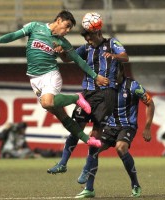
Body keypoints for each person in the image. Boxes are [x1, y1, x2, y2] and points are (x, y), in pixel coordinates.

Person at [0, 10, 109, 147]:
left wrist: (95, 76)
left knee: (47, 103)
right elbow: (15, 35)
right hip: (34, 79)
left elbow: (78, 60)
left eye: (70, 28)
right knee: (60, 115)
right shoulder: (34, 27)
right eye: (67, 25)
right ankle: (87, 139)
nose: (68, 30)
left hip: (50, 75)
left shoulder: (62, 42)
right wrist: (0, 40)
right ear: (58, 20)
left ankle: (77, 98)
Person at [47, 20, 129, 174]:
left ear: (98, 32)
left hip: (107, 93)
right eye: (86, 38)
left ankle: (87, 168)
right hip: (88, 93)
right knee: (76, 128)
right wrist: (61, 51)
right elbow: (67, 59)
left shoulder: (112, 42)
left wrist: (114, 56)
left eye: (90, 37)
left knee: (96, 133)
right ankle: (63, 163)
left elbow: (125, 57)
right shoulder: (86, 48)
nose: (88, 40)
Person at [75, 71, 155, 198]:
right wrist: (97, 127)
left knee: (121, 147)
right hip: (109, 126)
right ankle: (89, 189)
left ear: (120, 73)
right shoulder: (105, 85)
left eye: (114, 72)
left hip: (127, 126)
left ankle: (135, 184)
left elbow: (149, 103)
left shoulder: (133, 86)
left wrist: (147, 127)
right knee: (93, 148)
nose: (111, 76)